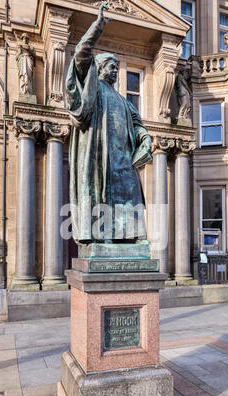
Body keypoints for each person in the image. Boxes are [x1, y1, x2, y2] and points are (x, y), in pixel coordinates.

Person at [65, 1, 152, 244]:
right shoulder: (93, 88)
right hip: (100, 158)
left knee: (130, 195)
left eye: (116, 67)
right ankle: (102, 238)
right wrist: (97, 26)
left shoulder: (124, 101)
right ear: (100, 68)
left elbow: (138, 124)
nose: (115, 71)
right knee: (100, 196)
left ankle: (133, 236)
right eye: (111, 67)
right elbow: (82, 54)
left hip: (123, 160)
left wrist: (145, 138)